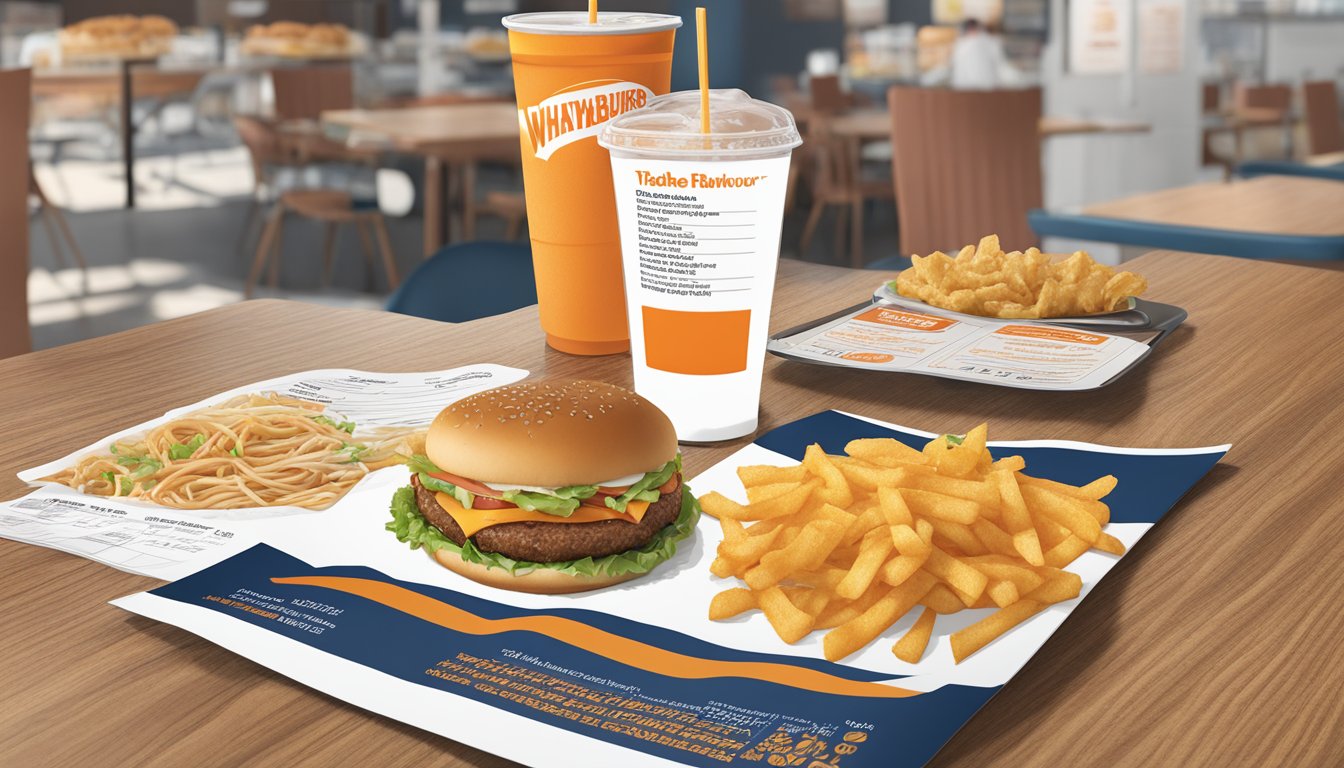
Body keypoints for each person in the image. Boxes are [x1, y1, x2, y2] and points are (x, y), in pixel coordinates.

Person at [948, 18, 1020, 90]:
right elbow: (1004, 70)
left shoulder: (959, 45)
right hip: (989, 92)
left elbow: (949, 68)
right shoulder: (993, 42)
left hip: (963, 93)